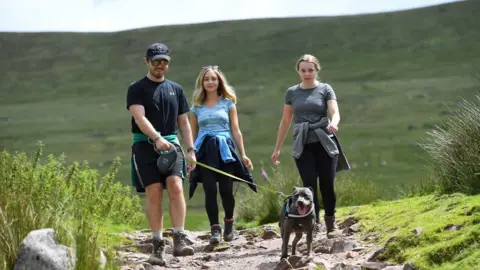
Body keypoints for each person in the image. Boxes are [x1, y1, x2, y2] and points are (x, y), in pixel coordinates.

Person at [126, 42, 197, 265]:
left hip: (172, 145)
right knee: (154, 191)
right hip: (145, 145)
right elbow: (139, 117)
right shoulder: (136, 88)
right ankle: (157, 244)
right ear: (147, 62)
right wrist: (157, 138)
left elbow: (183, 121)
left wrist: (190, 149)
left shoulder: (176, 89)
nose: (160, 65)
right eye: (156, 61)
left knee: (176, 186)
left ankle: (179, 238)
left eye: (164, 62)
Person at [271, 54, 350, 235]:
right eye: (303, 70)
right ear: (298, 71)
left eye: (310, 70)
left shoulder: (325, 89)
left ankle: (330, 223)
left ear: (316, 70)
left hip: (324, 142)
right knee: (308, 188)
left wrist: (334, 122)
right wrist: (277, 149)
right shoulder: (292, 92)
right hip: (302, 144)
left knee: (327, 185)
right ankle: (311, 223)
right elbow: (285, 121)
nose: (307, 74)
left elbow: (334, 111)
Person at [188, 65, 257, 244]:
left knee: (226, 190)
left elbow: (236, 129)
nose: (210, 82)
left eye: (213, 79)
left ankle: (228, 224)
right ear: (202, 83)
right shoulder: (196, 107)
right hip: (204, 150)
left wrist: (243, 154)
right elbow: (192, 134)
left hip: (225, 149)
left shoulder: (228, 103)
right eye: (206, 79)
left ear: (219, 81)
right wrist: (191, 155)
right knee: (210, 190)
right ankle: (214, 230)